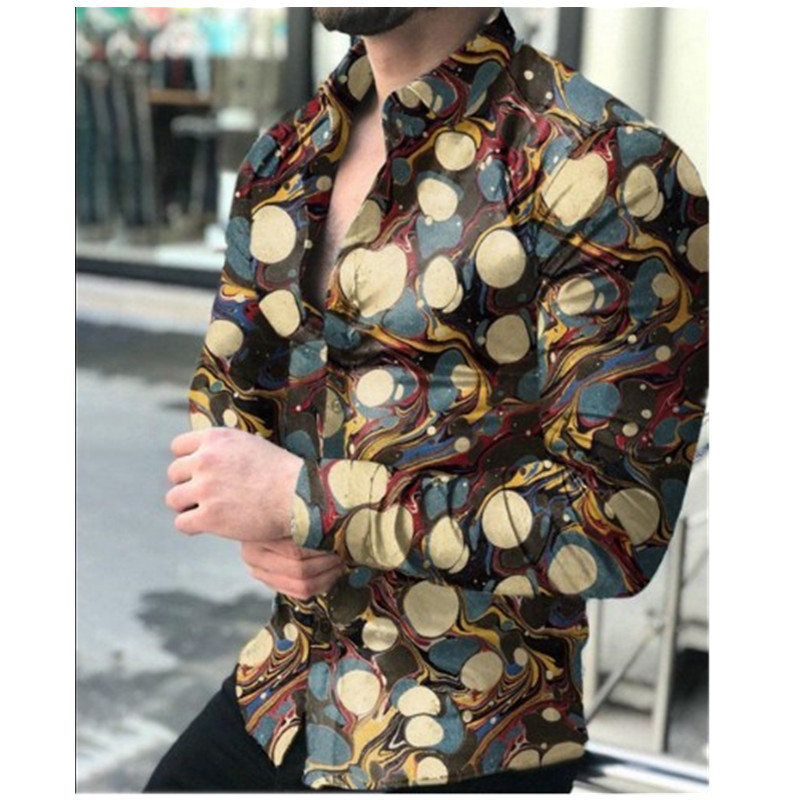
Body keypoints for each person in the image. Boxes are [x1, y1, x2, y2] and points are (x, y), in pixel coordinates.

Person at [147, 6, 708, 793]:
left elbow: (617, 522)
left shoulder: (606, 165)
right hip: (285, 693)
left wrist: (307, 502)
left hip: (474, 730)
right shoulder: (288, 154)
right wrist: (261, 521)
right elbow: (229, 402)